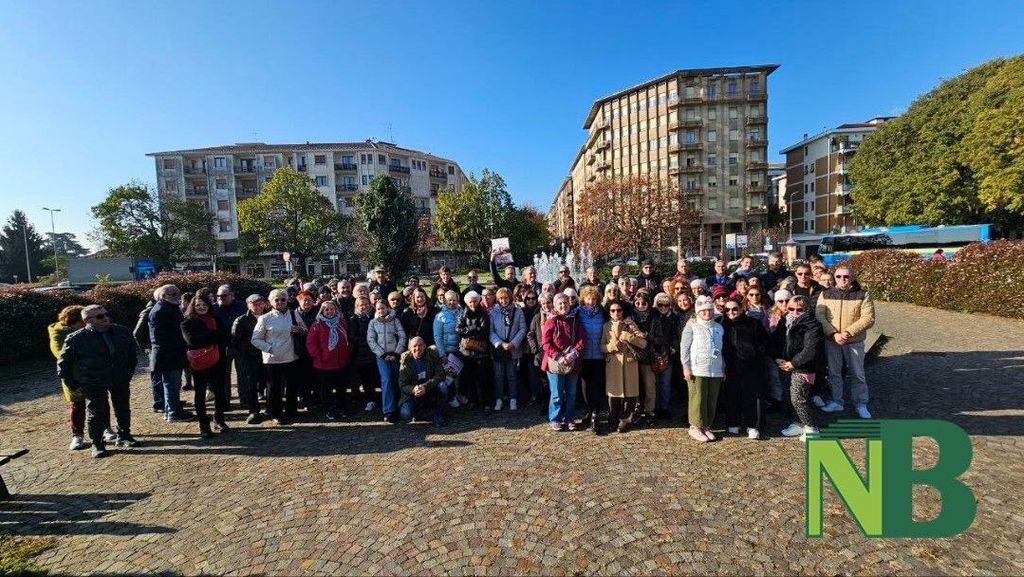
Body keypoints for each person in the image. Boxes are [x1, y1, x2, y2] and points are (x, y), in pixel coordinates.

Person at [57, 305, 139, 457]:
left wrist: (127, 373)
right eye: (100, 316)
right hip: (93, 381)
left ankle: (124, 435)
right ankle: (97, 443)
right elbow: (63, 364)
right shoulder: (76, 338)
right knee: (95, 413)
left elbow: (131, 354)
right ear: (87, 320)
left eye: (107, 314)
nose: (106, 318)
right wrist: (73, 384)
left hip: (119, 378)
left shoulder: (121, 331)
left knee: (123, 408)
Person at [816, 266, 876, 418]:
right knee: (834, 373)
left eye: (846, 276)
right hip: (832, 340)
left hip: (853, 341)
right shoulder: (826, 294)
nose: (842, 279)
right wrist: (833, 333)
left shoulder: (862, 294)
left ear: (852, 277)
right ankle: (837, 401)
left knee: (858, 373)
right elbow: (820, 315)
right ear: (834, 278)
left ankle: (861, 403)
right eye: (838, 276)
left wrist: (848, 332)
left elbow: (868, 318)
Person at [50, 305, 110, 451]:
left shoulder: (92, 331)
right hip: (74, 376)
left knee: (102, 402)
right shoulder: (59, 334)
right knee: (78, 405)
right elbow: (61, 355)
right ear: (78, 321)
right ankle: (77, 435)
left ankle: (106, 428)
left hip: (94, 374)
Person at [251, 288, 306, 426]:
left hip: (291, 356)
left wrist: (300, 330)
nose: (280, 302)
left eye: (283, 299)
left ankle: (291, 410)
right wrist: (270, 348)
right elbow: (255, 339)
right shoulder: (265, 318)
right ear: (270, 302)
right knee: (274, 387)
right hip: (273, 359)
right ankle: (275, 413)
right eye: (277, 299)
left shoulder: (294, 314)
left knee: (292, 385)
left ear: (287, 300)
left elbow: (304, 329)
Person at [774, 295, 824, 441]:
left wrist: (794, 363)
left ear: (807, 309)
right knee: (789, 397)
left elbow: (811, 349)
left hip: (803, 367)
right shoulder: (784, 321)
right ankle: (798, 423)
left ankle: (811, 427)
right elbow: (776, 341)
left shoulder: (813, 325)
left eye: (799, 309)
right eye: (791, 309)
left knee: (799, 399)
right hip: (785, 364)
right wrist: (777, 357)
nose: (794, 312)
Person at [181, 294, 229, 438]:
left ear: (209, 305)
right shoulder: (187, 322)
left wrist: (207, 336)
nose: (201, 307)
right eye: (198, 305)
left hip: (218, 360)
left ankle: (219, 419)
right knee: (200, 393)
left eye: (204, 305)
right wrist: (213, 335)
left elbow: (225, 336)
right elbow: (192, 340)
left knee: (219, 392)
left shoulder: (216, 319)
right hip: (199, 363)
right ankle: (204, 424)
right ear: (193, 307)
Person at [722, 298, 770, 440]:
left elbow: (764, 343)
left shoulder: (753, 323)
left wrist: (755, 355)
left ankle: (753, 426)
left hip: (751, 366)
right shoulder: (721, 324)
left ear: (741, 309)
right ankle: (733, 423)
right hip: (730, 366)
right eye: (727, 309)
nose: (731, 312)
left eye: (734, 309)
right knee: (732, 395)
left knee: (753, 396)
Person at [680, 295, 724, 443]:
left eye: (709, 310)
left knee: (711, 398)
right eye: (703, 310)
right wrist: (686, 367)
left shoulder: (719, 327)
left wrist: (723, 368)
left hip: (715, 369)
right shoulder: (692, 325)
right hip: (697, 368)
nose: (707, 313)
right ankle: (695, 426)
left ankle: (706, 425)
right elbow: (684, 348)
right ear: (698, 312)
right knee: (698, 398)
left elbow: (721, 349)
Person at [149, 284, 193, 422]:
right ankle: (173, 413)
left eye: (178, 293)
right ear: (163, 296)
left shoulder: (169, 307)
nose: (177, 296)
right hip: (168, 354)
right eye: (173, 294)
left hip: (173, 353)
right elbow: (161, 336)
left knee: (173, 384)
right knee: (171, 385)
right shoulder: (160, 310)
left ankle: (171, 411)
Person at [541, 293, 585, 431]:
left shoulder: (575, 319)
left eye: (565, 303)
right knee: (557, 394)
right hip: (555, 362)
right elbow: (546, 342)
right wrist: (558, 356)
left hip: (572, 360)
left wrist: (573, 354)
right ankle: (555, 418)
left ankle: (570, 418)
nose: (563, 306)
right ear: (555, 305)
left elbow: (581, 339)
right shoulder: (551, 320)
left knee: (571, 393)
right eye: (559, 303)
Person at [602, 303, 647, 433]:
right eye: (613, 310)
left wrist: (629, 337)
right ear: (609, 312)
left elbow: (643, 343)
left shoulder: (630, 324)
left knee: (630, 394)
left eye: (619, 310)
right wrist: (611, 346)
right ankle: (613, 418)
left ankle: (626, 419)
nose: (616, 313)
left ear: (623, 311)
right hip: (614, 363)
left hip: (629, 363)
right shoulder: (606, 326)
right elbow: (602, 346)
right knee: (613, 395)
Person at [306, 300, 353, 420]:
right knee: (326, 388)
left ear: (336, 310)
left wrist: (348, 352)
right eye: (326, 309)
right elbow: (311, 343)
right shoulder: (317, 325)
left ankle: (341, 407)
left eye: (332, 309)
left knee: (341, 387)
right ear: (322, 311)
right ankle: (329, 409)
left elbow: (348, 338)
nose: (329, 311)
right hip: (324, 363)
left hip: (341, 362)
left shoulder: (342, 323)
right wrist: (319, 356)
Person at [368, 300, 407, 423]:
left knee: (397, 379)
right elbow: (371, 340)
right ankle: (388, 410)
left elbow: (402, 336)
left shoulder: (395, 321)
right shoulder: (373, 322)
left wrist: (397, 352)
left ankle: (400, 405)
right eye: (378, 309)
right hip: (382, 356)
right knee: (386, 380)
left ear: (388, 308)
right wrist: (382, 354)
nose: (381, 311)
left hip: (394, 355)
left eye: (383, 308)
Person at [456, 291, 493, 415]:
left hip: (481, 351)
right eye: (470, 302)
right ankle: (473, 401)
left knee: (483, 379)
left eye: (475, 301)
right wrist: (473, 329)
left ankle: (486, 402)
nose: (473, 304)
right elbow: (458, 329)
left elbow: (485, 330)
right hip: (467, 352)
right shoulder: (463, 314)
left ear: (478, 301)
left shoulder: (483, 313)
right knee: (470, 378)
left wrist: (470, 335)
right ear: (467, 302)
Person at [232, 294, 268, 424]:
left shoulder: (269, 317)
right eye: (254, 304)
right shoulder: (241, 320)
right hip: (249, 357)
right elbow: (235, 341)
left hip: (268, 355)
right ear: (248, 305)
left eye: (260, 303)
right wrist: (243, 356)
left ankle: (270, 408)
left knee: (269, 382)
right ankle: (254, 410)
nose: (257, 306)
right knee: (250, 384)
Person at [489, 287, 526, 411]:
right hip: (499, 349)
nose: (503, 301)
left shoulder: (518, 311)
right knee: (498, 375)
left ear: (510, 298)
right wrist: (499, 343)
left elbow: (522, 328)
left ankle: (513, 398)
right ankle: (499, 398)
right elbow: (491, 331)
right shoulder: (493, 312)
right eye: (501, 298)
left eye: (506, 298)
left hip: (512, 348)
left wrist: (514, 343)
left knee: (512, 375)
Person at [398, 337, 448, 426]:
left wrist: (425, 386)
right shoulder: (405, 361)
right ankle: (424, 413)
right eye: (414, 346)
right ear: (410, 348)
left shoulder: (432, 355)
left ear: (424, 346)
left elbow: (441, 375)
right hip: (413, 395)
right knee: (405, 414)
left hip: (430, 390)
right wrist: (413, 389)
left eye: (420, 345)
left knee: (442, 386)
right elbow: (403, 385)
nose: (417, 348)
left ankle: (438, 413)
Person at [577, 286, 608, 434]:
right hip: (584, 354)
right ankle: (588, 410)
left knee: (597, 384)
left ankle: (595, 412)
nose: (591, 302)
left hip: (599, 355)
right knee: (585, 384)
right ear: (583, 299)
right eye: (589, 299)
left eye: (594, 299)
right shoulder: (577, 312)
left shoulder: (602, 312)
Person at [646, 292, 678, 423]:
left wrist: (674, 347)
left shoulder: (674, 318)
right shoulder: (651, 317)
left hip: (667, 354)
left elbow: (676, 335)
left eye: (666, 305)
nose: (663, 307)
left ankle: (664, 407)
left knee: (665, 383)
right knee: (655, 383)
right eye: (660, 305)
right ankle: (654, 407)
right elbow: (648, 334)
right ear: (656, 304)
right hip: (653, 353)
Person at [213, 284, 246, 408]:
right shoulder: (213, 308)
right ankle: (225, 400)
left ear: (232, 295)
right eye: (218, 296)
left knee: (242, 373)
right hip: (222, 346)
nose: (220, 298)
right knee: (223, 374)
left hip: (239, 345)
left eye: (223, 296)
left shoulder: (241, 307)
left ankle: (244, 399)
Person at [133, 289, 164, 413]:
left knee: (164, 376)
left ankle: (168, 400)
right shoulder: (149, 311)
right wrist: (145, 347)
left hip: (161, 348)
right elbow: (137, 332)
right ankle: (159, 403)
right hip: (153, 348)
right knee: (157, 377)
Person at [348, 296, 380, 413]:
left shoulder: (374, 317)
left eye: (366, 304)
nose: (364, 307)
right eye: (361, 305)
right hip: (361, 354)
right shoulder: (354, 319)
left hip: (375, 352)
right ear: (357, 306)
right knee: (366, 379)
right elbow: (352, 337)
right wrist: (369, 341)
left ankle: (377, 399)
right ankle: (369, 400)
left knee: (375, 377)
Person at [433, 289, 464, 406]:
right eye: (449, 300)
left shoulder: (463, 312)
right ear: (445, 301)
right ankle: (451, 398)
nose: (452, 302)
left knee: (461, 376)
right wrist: (442, 353)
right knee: (450, 376)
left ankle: (460, 395)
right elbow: (438, 336)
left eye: (454, 300)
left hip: (461, 349)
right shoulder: (440, 316)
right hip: (448, 350)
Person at [526, 292, 553, 411]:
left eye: (548, 302)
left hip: (555, 354)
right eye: (543, 303)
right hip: (541, 354)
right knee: (544, 382)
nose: (546, 305)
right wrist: (535, 350)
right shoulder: (537, 317)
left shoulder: (557, 316)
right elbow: (530, 334)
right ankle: (546, 404)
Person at [294, 291, 318, 409]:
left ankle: (316, 398)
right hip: (299, 349)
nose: (307, 302)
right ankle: (304, 397)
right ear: (299, 301)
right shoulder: (293, 314)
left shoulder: (318, 313)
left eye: (309, 300)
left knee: (315, 375)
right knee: (302, 375)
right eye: (304, 300)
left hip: (315, 349)